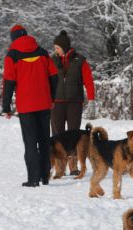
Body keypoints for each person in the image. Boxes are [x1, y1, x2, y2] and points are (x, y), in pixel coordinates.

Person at [2, 24, 58, 187]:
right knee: (44, 140)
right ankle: (45, 176)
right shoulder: (42, 52)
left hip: (26, 106)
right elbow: (54, 77)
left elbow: (9, 82)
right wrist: (52, 99)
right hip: (44, 103)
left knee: (31, 142)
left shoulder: (12, 55)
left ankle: (33, 179)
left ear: (13, 39)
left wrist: (6, 107)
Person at [51, 30, 95, 176]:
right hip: (56, 102)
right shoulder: (51, 61)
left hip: (74, 102)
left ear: (64, 47)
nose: (55, 50)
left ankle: (73, 166)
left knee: (73, 135)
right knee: (57, 135)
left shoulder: (80, 61)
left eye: (57, 47)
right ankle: (59, 168)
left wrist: (92, 99)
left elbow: (88, 81)